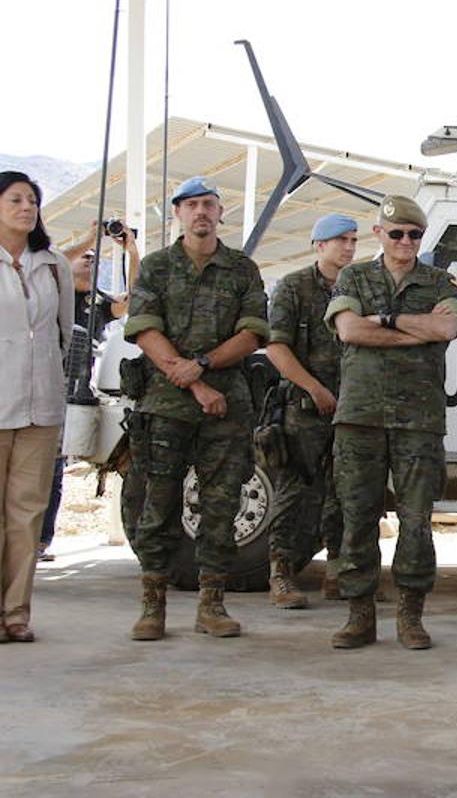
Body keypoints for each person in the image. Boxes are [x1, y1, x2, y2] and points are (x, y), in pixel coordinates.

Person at [122, 176, 269, 641]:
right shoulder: (158, 268)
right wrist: (191, 380)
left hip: (226, 405)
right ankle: (152, 606)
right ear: (178, 214)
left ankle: (212, 604)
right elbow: (145, 329)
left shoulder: (242, 269)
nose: (201, 212)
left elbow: (252, 334)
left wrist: (201, 367)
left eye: (209, 204)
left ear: (220, 212)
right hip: (167, 405)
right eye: (191, 205)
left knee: (222, 505)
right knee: (159, 505)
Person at [325, 195, 457, 650]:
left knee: (417, 519)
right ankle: (359, 614)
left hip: (418, 420)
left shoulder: (439, 281)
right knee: (358, 517)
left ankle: (410, 614)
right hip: (360, 417)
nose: (405, 241)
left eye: (414, 234)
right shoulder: (353, 275)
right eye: (396, 233)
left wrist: (384, 320)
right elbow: (349, 330)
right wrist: (414, 329)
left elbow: (446, 330)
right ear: (378, 235)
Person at [264, 214, 360, 609]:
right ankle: (281, 575)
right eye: (340, 240)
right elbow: (276, 347)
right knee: (295, 491)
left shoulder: (359, 285)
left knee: (345, 493)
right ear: (319, 245)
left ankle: (338, 573)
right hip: (306, 407)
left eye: (353, 240)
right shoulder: (294, 286)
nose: (349, 247)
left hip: (351, 406)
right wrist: (315, 389)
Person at [38, 220, 140, 563]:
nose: (89, 260)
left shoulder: (97, 304)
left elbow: (136, 296)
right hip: (37, 390)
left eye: (96, 258)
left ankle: (41, 541)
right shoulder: (51, 291)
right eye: (85, 257)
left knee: (52, 471)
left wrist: (132, 251)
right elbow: (49, 261)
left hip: (72, 398)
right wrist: (88, 238)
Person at [0, 171, 73, 643]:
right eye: (15, 199)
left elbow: (64, 331)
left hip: (40, 406)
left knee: (26, 514)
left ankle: (15, 613)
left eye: (33, 200)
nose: (27, 207)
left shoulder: (52, 264)